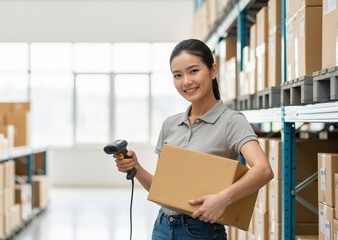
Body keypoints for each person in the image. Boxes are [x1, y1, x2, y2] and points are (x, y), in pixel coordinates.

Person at [112, 39, 274, 240]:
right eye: (177, 75)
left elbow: (263, 170)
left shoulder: (231, 121)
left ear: (212, 71)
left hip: (201, 231)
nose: (186, 81)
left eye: (193, 71)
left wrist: (222, 200)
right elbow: (164, 190)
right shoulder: (170, 125)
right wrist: (135, 168)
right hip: (162, 226)